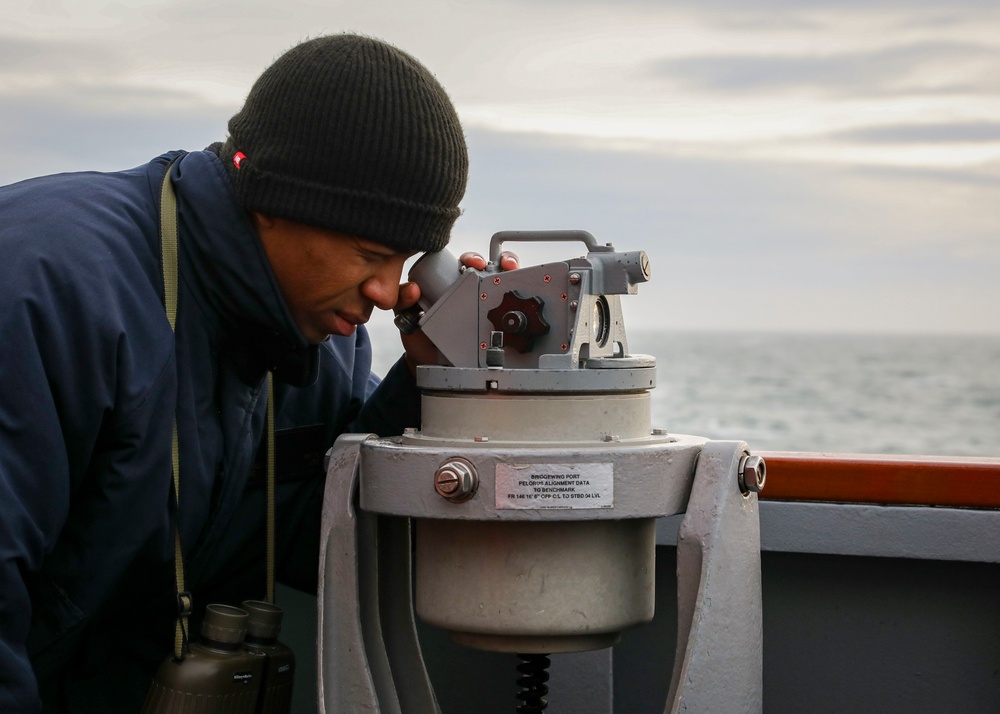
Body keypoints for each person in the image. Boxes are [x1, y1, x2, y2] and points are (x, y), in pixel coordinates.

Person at [0, 34, 514, 713]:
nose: (389, 293)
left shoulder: (319, 334)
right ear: (272, 199)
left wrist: (425, 386)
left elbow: (305, 541)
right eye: (369, 253)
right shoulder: (46, 286)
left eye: (405, 259)